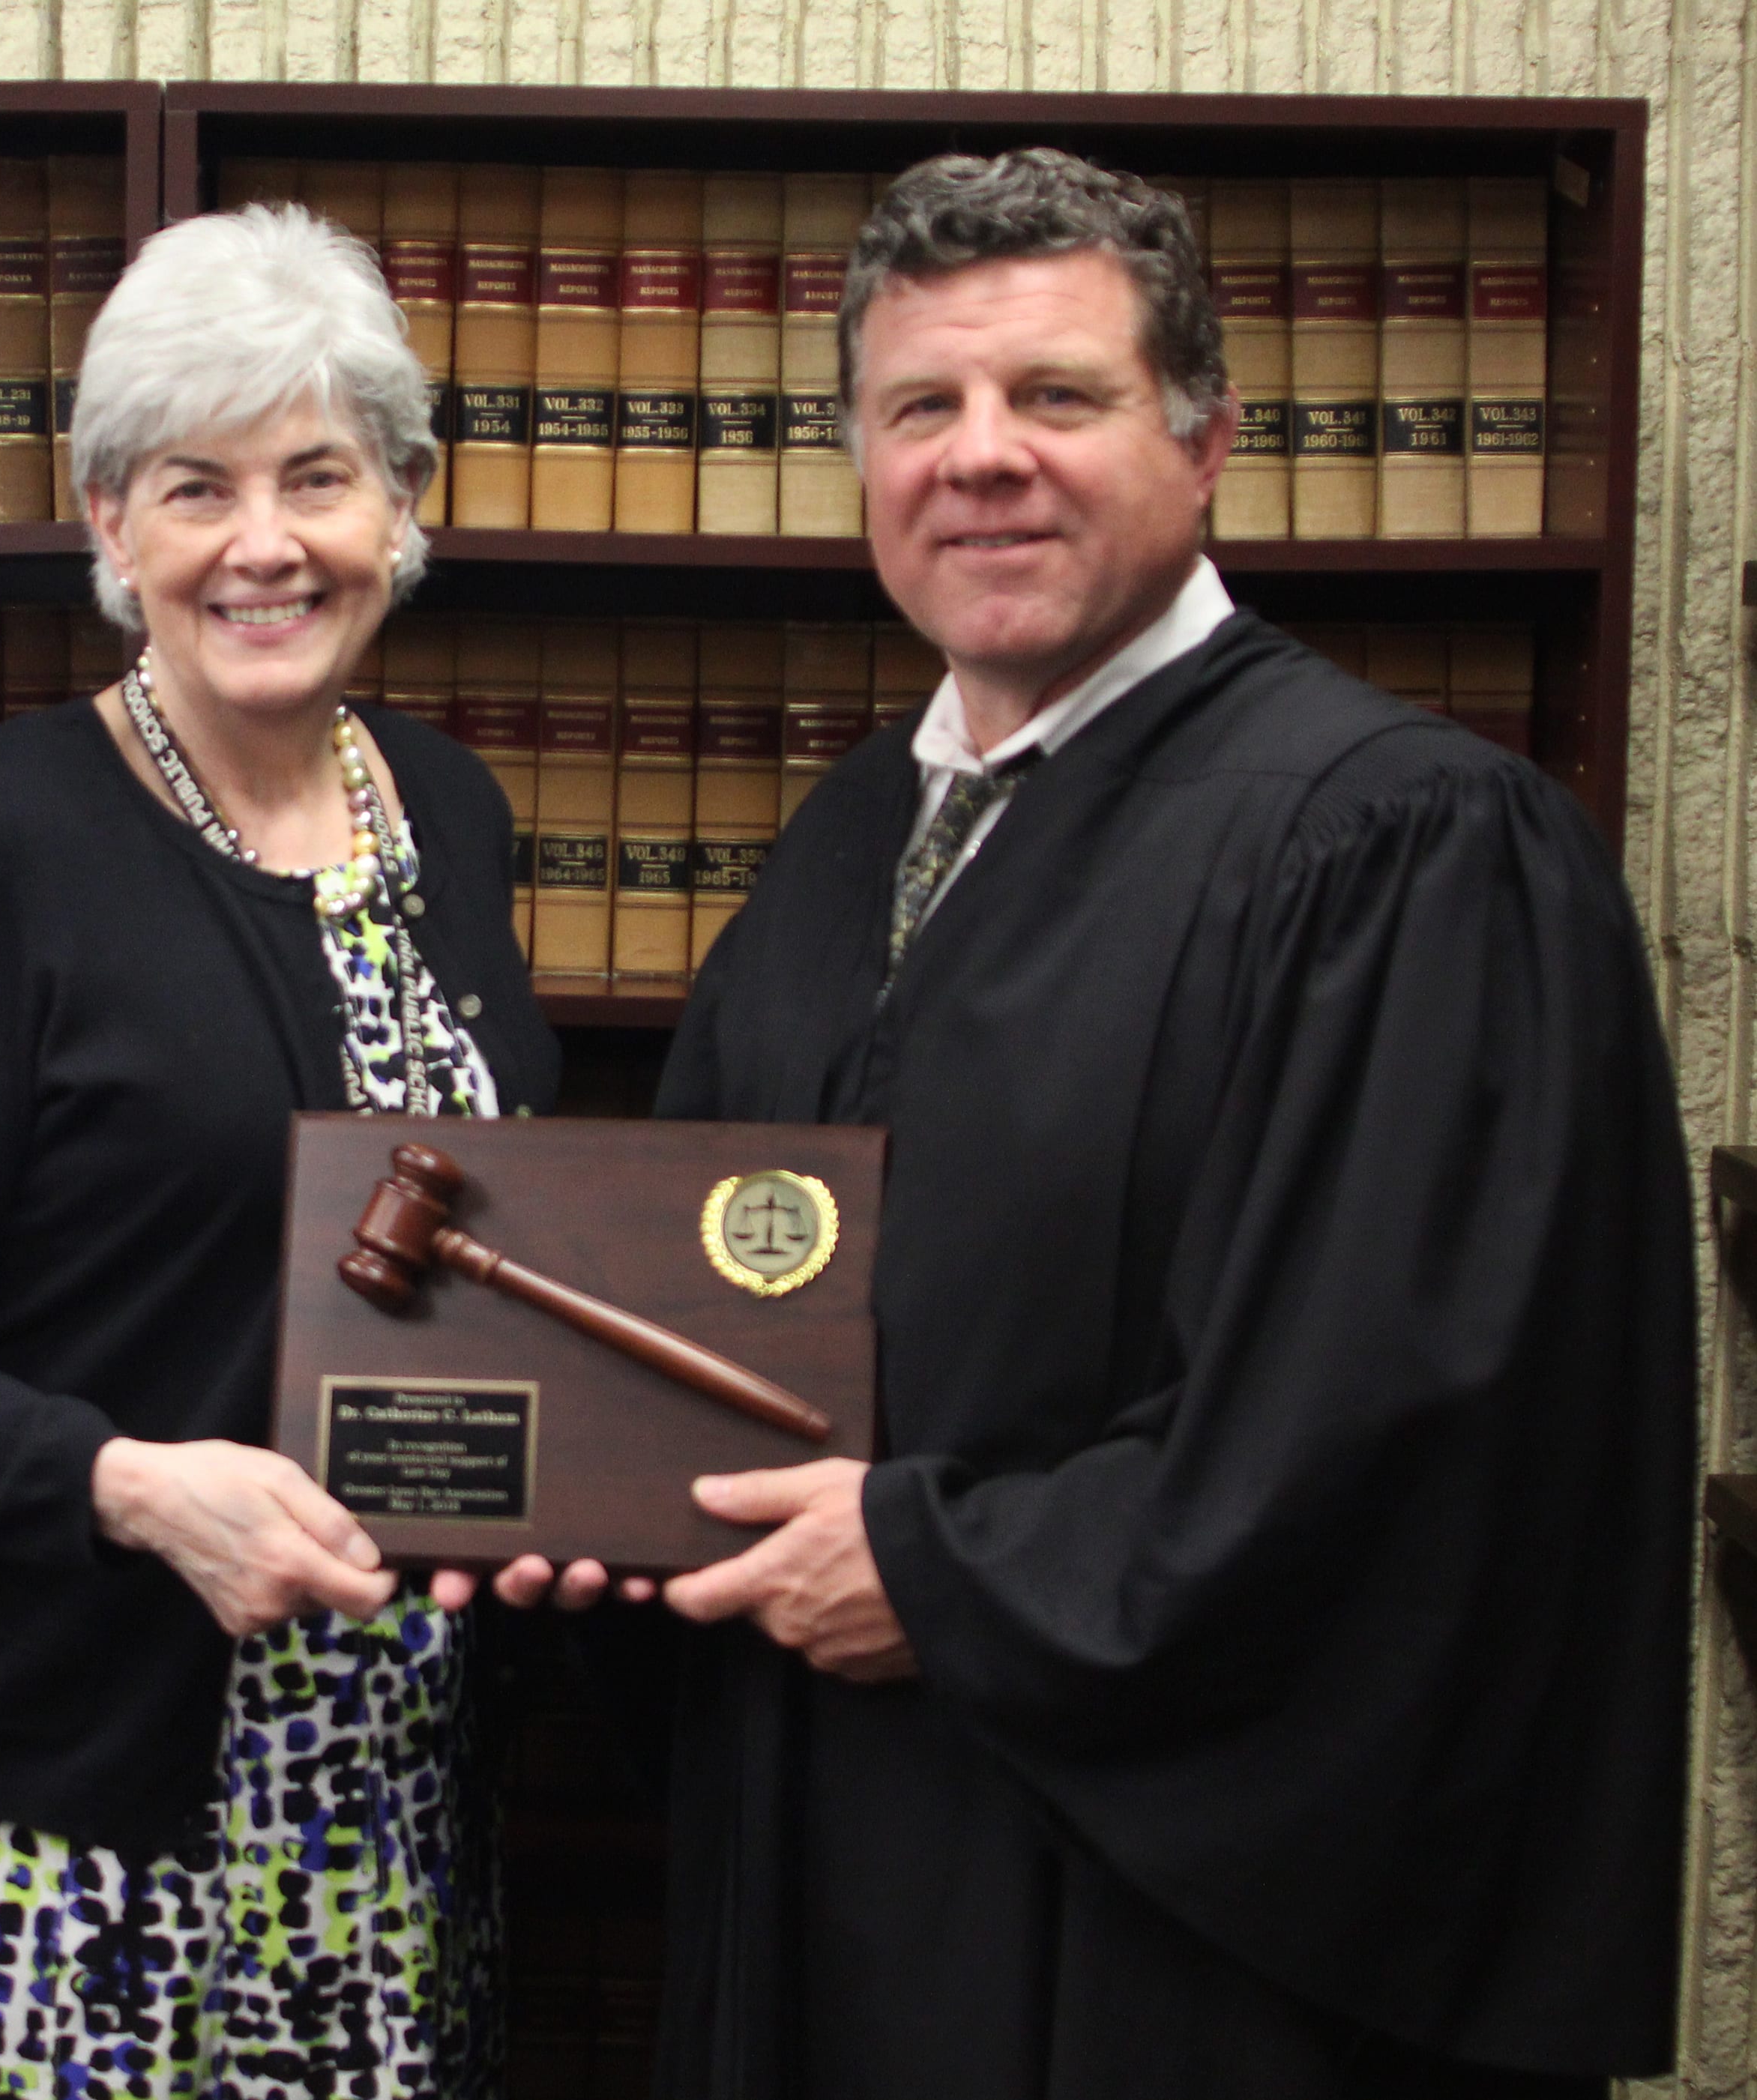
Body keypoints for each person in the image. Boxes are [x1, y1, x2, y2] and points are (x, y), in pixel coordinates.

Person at [646, 149, 1693, 2099]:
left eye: (1054, 396)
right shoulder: (839, 848)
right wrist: (587, 1508)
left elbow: (1410, 1439)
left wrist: (944, 1576)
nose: (979, 458)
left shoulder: (1397, 844)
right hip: (833, 1859)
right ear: (856, 465)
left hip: (1173, 1956)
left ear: (1202, 442)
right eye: (917, 409)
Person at [0, 205, 570, 2100]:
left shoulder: (446, 812)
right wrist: (132, 1487)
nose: (266, 543)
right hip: (51, 1839)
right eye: (195, 487)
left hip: (383, 1808)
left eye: (319, 476)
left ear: (405, 505)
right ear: (112, 526)